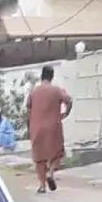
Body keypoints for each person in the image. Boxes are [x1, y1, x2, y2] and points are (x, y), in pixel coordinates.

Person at [26, 65, 73, 194]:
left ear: (42, 76)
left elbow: (28, 110)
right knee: (57, 153)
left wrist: (29, 127)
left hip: (36, 127)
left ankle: (42, 185)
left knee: (39, 157)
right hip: (53, 126)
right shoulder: (57, 90)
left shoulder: (33, 91)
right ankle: (50, 174)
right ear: (52, 77)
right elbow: (68, 101)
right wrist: (65, 114)